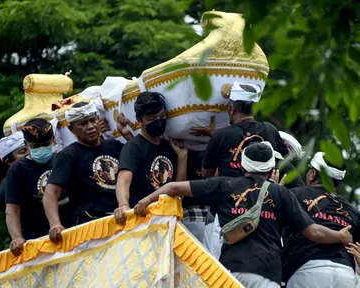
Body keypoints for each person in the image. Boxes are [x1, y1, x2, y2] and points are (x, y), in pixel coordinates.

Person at [133, 143, 353, 288]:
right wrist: (340, 237)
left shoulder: (224, 185)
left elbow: (173, 188)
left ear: (243, 165)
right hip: (268, 276)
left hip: (229, 274)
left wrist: (144, 201)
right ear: (270, 168)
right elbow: (313, 231)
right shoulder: (280, 192)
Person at [43, 101, 133, 243]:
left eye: (93, 120)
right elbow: (50, 193)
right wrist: (55, 224)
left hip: (124, 219)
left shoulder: (114, 146)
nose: (90, 127)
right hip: (91, 227)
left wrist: (127, 135)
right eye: (83, 123)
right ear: (72, 129)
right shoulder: (68, 155)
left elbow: (137, 164)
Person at [282, 152, 359, 288]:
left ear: (312, 174)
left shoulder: (295, 195)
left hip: (308, 271)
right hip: (346, 275)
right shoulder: (351, 211)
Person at [114, 91, 188, 225]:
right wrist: (123, 204)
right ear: (139, 121)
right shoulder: (133, 147)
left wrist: (182, 157)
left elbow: (179, 194)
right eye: (151, 118)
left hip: (170, 218)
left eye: (162, 116)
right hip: (144, 219)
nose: (158, 122)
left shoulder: (170, 146)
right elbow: (123, 180)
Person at [5, 118, 70, 256]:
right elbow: (12, 209)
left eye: (45, 144)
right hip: (37, 240)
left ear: (53, 140)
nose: (40, 149)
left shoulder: (62, 159)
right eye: (35, 146)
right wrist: (16, 238)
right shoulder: (18, 169)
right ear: (26, 144)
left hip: (69, 231)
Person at [201, 82, 288, 179]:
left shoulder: (219, 136)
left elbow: (206, 174)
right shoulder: (270, 129)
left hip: (229, 193)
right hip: (265, 192)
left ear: (231, 108)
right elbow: (285, 162)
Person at [0, 131, 28, 209]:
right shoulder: (7, 186)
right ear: (9, 161)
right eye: (22, 152)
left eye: (31, 148)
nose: (29, 154)